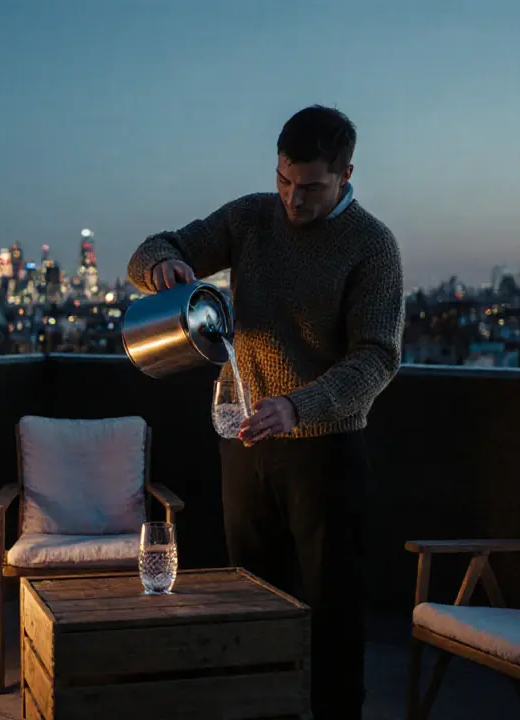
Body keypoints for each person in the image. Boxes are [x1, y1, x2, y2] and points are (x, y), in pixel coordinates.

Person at [126, 105, 404, 718]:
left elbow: (377, 358)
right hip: (245, 442)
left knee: (331, 614)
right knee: (252, 599)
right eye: (283, 179)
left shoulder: (373, 246)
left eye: (309, 187)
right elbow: (152, 248)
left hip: (325, 453)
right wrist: (162, 266)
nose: (292, 199)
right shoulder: (252, 217)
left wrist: (298, 407)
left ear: (346, 174)